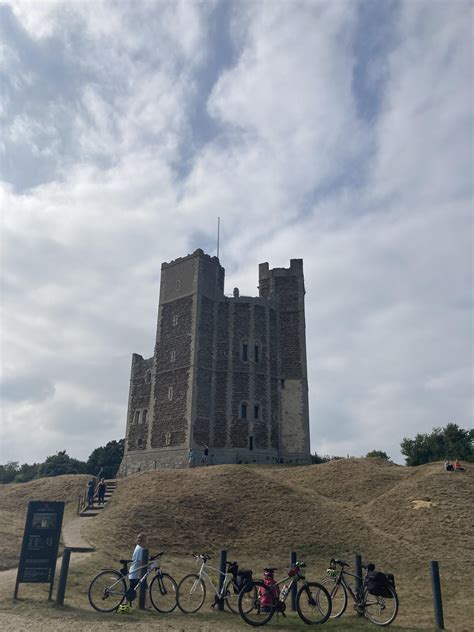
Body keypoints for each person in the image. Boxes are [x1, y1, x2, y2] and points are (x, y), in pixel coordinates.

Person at [128, 533, 148, 605]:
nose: (147, 542)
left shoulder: (138, 547)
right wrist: (147, 566)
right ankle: (124, 604)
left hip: (136, 573)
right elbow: (140, 562)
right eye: (146, 540)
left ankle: (149, 605)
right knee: (130, 592)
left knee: (145, 587)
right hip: (135, 574)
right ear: (143, 541)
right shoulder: (140, 549)